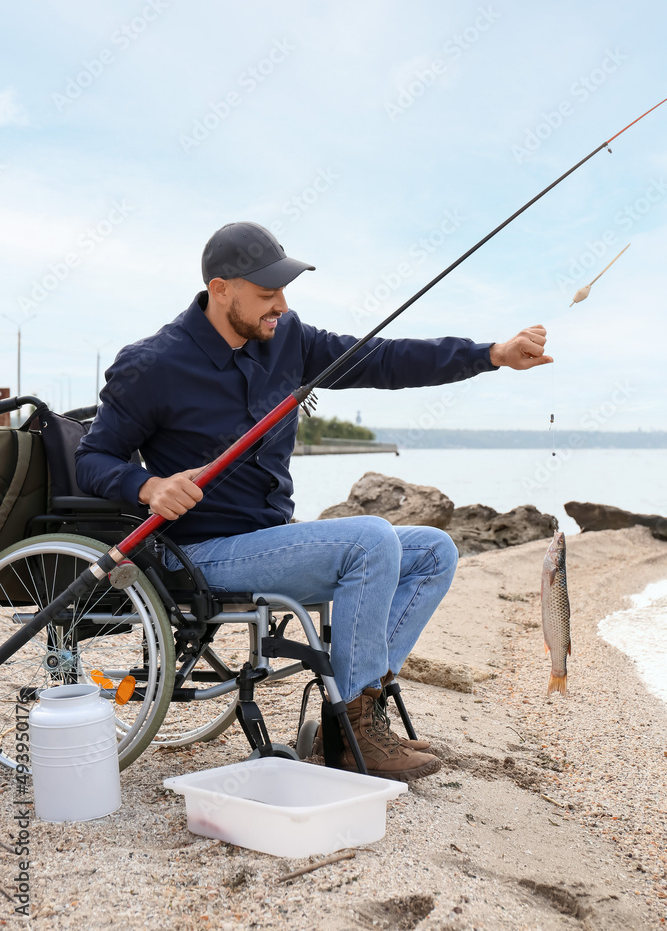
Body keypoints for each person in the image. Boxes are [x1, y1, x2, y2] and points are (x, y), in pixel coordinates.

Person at [76, 221, 553, 782]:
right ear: (220, 288)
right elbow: (93, 460)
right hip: (199, 553)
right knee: (371, 538)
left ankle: (356, 715)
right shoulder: (153, 363)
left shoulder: (287, 338)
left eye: (283, 290)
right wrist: (148, 486)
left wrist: (491, 354)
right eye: (265, 292)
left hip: (272, 538)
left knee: (433, 550)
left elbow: (382, 359)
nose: (279, 304)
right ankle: (348, 737)